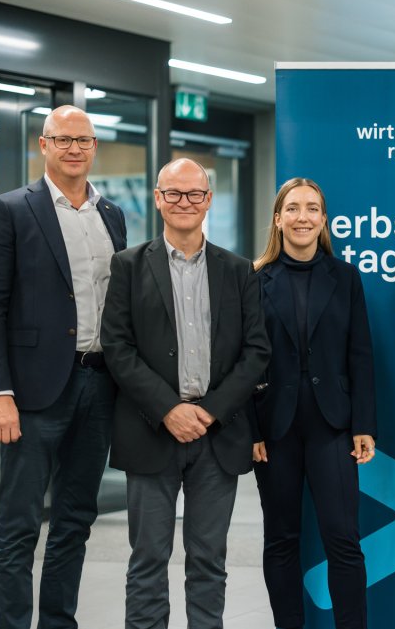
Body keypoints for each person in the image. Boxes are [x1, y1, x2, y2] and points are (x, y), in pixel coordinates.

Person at [0, 105, 126, 629]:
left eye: (83, 140)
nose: (74, 149)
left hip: (98, 383)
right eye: (63, 139)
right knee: (18, 525)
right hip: (32, 394)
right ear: (43, 145)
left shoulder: (112, 215)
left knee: (75, 521)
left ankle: (59, 622)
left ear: (94, 147)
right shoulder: (10, 210)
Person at [100, 158, 271, 629]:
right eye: (173, 193)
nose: (184, 203)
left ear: (208, 200)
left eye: (194, 194)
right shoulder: (129, 266)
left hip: (218, 438)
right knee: (148, 560)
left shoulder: (238, 270)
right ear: (157, 198)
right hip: (150, 431)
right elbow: (118, 347)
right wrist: (169, 408)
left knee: (209, 562)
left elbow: (256, 351)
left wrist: (211, 411)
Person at [251, 177, 376, 629]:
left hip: (333, 426)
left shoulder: (344, 278)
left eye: (312, 209)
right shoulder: (255, 278)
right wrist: (249, 430)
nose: (302, 216)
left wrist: (364, 424)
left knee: (343, 539)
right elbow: (244, 361)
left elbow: (360, 353)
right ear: (278, 218)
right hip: (274, 430)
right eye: (293, 208)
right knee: (280, 540)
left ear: (323, 220)